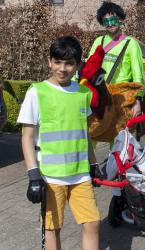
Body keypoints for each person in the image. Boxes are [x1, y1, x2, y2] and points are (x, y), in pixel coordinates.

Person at [18, 36, 100, 250]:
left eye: (69, 63)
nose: (62, 68)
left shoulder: (83, 93)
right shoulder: (37, 92)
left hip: (80, 174)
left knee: (92, 222)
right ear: (49, 61)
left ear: (77, 65)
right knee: (52, 228)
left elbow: (85, 133)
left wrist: (93, 164)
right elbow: (27, 136)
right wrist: (33, 174)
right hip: (50, 176)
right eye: (57, 62)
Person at [88, 1, 145, 117]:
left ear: (120, 19)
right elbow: (89, 68)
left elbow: (138, 74)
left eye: (113, 19)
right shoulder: (99, 42)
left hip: (123, 97)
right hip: (101, 96)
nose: (110, 24)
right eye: (106, 21)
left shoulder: (131, 43)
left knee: (122, 133)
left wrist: (138, 100)